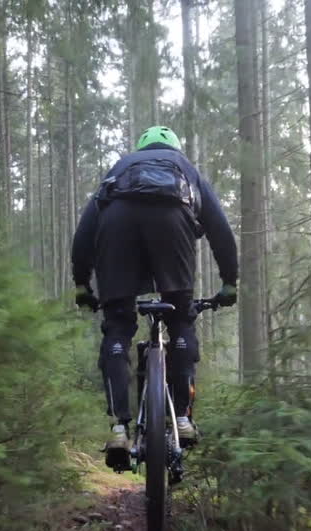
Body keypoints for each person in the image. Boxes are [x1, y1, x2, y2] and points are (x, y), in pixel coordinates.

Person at [70, 125, 239, 463]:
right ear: (174, 148)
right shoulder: (185, 168)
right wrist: (229, 281)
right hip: (172, 224)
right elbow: (220, 229)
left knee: (118, 327)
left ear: (141, 149)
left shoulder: (119, 169)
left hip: (116, 227)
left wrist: (82, 284)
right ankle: (182, 419)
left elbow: (85, 232)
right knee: (180, 321)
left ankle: (119, 427)